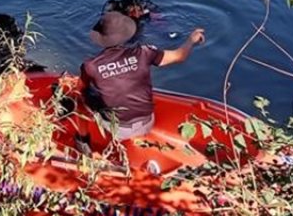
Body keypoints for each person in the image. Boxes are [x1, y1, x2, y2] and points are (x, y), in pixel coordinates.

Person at [80, 10, 205, 140]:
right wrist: (191, 40)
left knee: (81, 98)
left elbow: (81, 88)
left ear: (101, 38)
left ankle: (83, 139)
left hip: (118, 130)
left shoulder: (90, 66)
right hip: (147, 122)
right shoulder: (144, 52)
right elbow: (179, 56)